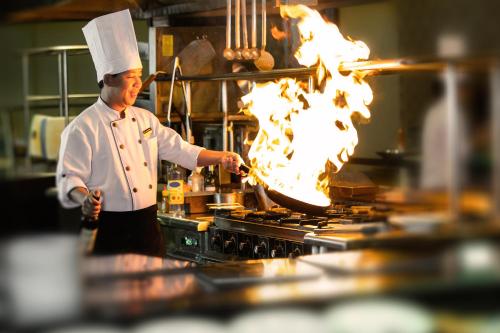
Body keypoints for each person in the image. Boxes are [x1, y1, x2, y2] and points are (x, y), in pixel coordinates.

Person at [56, 9, 242, 257]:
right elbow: (69, 179)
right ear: (109, 78)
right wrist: (86, 201)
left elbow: (181, 150)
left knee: (153, 293)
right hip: (108, 231)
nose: (137, 84)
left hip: (146, 228)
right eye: (130, 77)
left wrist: (222, 157)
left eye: (139, 77)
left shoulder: (145, 119)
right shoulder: (82, 127)